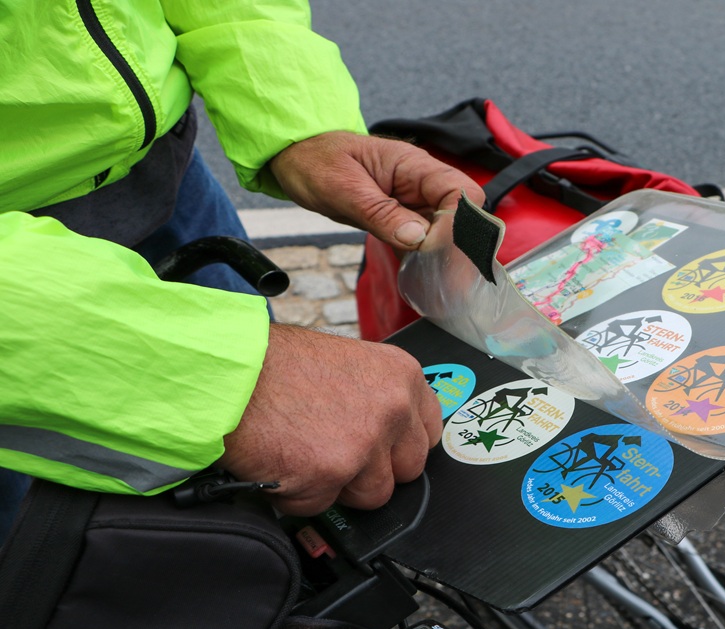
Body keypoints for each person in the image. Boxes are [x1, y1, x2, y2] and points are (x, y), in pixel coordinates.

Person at [0, 1, 484, 539]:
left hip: (168, 185)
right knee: (39, 568)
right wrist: (214, 373)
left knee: (289, 515)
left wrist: (298, 124)